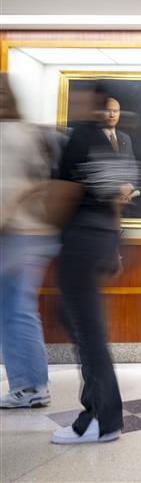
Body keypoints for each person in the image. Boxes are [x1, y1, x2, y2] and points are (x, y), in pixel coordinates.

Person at [50, 84, 136, 444]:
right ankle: (100, 413)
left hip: (81, 243)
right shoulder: (103, 142)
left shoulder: (81, 138)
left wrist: (48, 229)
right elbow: (118, 198)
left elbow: (66, 195)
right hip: (99, 240)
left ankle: (101, 418)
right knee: (73, 317)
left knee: (88, 332)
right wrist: (113, 246)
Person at [0, 73, 60, 409]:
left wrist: (8, 210)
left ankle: (31, 385)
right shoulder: (25, 132)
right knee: (15, 311)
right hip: (25, 236)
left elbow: (33, 184)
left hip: (18, 236)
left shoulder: (16, 134)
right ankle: (30, 384)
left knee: (15, 311)